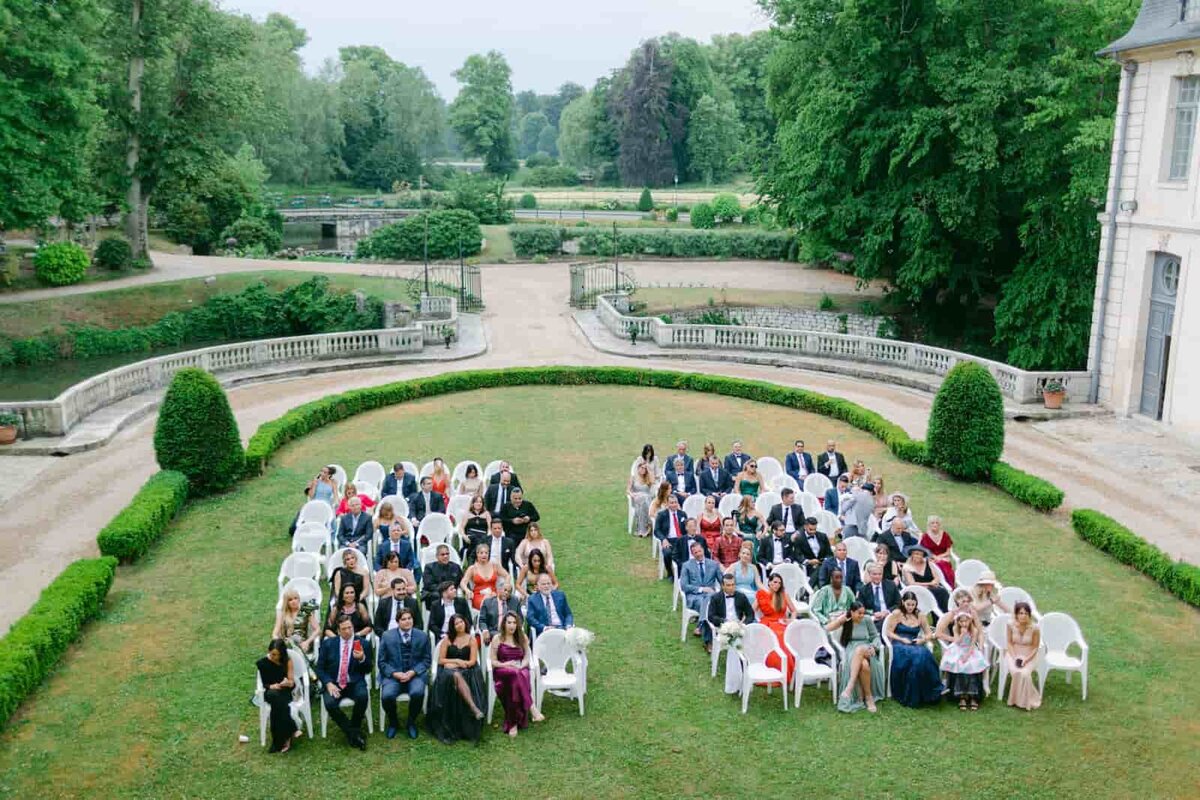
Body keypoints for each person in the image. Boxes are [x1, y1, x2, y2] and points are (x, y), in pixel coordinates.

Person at [427, 614, 486, 744]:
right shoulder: (447, 639)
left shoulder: (471, 640)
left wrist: (457, 664)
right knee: (454, 674)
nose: (460, 625)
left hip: (468, 671)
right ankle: (473, 707)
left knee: (458, 675)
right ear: (452, 627)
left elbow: (471, 661)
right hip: (448, 673)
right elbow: (441, 660)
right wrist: (457, 661)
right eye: (456, 623)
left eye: (461, 622)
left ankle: (472, 710)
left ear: (465, 623)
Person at [316, 615, 372, 749]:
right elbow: (319, 667)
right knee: (329, 703)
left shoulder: (363, 644)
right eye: (344, 629)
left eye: (350, 628)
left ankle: (354, 727)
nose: (348, 631)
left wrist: (362, 658)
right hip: (334, 682)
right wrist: (328, 683)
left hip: (354, 681)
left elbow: (368, 669)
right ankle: (353, 733)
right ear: (338, 630)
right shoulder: (328, 644)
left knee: (362, 697)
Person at [379, 607, 431, 739]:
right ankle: (393, 722)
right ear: (398, 622)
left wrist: (413, 672)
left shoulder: (422, 636)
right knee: (387, 696)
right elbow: (382, 662)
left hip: (414, 675)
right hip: (394, 676)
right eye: (404, 619)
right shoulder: (387, 636)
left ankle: (411, 721)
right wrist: (395, 674)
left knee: (418, 692)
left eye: (410, 618)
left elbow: (427, 660)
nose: (407, 621)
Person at [884, 592, 944, 707]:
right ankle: (914, 695)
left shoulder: (920, 615)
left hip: (915, 642)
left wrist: (922, 640)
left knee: (924, 654)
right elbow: (888, 632)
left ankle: (930, 691)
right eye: (908, 604)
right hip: (899, 644)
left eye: (913, 605)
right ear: (903, 602)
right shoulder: (897, 614)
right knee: (918, 656)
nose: (910, 607)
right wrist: (901, 639)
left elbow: (929, 633)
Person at [489, 611, 544, 736]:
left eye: (514, 623)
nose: (512, 625)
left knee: (516, 679)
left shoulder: (522, 637)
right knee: (515, 675)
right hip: (502, 670)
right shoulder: (497, 638)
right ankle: (532, 708)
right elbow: (493, 661)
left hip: (520, 668)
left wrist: (521, 665)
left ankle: (512, 723)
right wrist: (506, 665)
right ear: (504, 624)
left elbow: (526, 657)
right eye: (509, 622)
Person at [829, 602, 883, 713]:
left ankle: (850, 686)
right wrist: (841, 619)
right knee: (863, 665)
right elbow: (828, 628)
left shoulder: (867, 620)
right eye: (859, 613)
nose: (862, 615)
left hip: (867, 648)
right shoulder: (847, 621)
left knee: (861, 650)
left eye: (863, 613)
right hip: (851, 650)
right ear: (852, 612)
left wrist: (873, 646)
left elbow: (875, 637)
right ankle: (868, 697)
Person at [939, 610, 988, 711]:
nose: (964, 624)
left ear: (970, 620)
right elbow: (957, 641)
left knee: (972, 665)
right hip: (958, 648)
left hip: (970, 650)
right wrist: (962, 634)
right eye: (961, 622)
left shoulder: (974, 630)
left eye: (966, 621)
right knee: (959, 665)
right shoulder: (955, 628)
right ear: (958, 622)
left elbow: (973, 644)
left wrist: (967, 655)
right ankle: (961, 695)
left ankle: (973, 695)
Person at [257, 638, 299, 752]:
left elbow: (291, 681)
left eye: (278, 655)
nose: (275, 657)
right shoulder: (262, 663)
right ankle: (291, 728)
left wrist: (286, 683)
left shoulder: (287, 661)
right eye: (273, 654)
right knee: (272, 695)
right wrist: (271, 686)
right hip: (271, 691)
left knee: (276, 708)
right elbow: (263, 683)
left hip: (284, 691)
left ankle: (278, 742)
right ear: (269, 651)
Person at [756, 573, 797, 682]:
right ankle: (773, 667)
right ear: (769, 582)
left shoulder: (783, 594)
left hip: (781, 622)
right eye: (775, 582)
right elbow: (751, 610)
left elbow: (794, 610)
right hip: (767, 623)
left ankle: (785, 670)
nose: (777, 585)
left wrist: (791, 620)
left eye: (779, 583)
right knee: (775, 636)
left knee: (783, 635)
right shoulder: (761, 594)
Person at [704, 573, 755, 653]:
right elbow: (711, 616)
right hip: (723, 626)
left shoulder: (741, 596)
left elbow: (750, 614)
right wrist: (724, 621)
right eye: (728, 585)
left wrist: (744, 624)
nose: (731, 587)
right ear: (722, 586)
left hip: (739, 625)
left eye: (733, 585)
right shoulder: (715, 598)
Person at [680, 541, 722, 639]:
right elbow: (684, 586)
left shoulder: (714, 564)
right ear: (692, 554)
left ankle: (701, 625)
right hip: (695, 597)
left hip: (711, 595)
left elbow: (722, 581)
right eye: (695, 553)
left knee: (710, 598)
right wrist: (702, 589)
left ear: (703, 550)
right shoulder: (686, 565)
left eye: (700, 551)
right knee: (706, 603)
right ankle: (706, 629)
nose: (698, 554)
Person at [1006, 603, 1042, 711]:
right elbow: (1009, 643)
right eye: (1021, 613)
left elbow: (1035, 647)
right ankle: (1014, 700)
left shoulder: (1035, 628)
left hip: (1029, 654)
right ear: (1016, 615)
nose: (1023, 616)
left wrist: (1026, 659)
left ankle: (1026, 700)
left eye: (1026, 613)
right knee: (1015, 670)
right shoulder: (1010, 625)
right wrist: (1014, 657)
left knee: (1025, 673)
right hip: (1013, 653)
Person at [273, 588, 320, 660]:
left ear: (299, 599)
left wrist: (307, 642)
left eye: (295, 598)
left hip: (302, 643)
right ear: (287, 602)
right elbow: (275, 633)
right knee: (290, 645)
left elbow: (317, 629)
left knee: (294, 645)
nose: (294, 601)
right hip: (287, 642)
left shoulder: (305, 610)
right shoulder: (283, 613)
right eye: (290, 600)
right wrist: (279, 643)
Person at [460, 543, 510, 610]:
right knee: (488, 603)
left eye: (486, 553)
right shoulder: (472, 568)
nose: (484, 555)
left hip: (493, 594)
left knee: (498, 602)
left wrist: (505, 586)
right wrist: (467, 590)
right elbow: (463, 582)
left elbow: (507, 575)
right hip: (479, 595)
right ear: (477, 554)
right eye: (481, 553)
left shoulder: (494, 565)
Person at [901, 545, 950, 611]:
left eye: (921, 555)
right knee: (940, 592)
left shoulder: (928, 563)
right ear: (912, 554)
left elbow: (937, 578)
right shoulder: (907, 567)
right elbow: (911, 583)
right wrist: (929, 584)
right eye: (916, 554)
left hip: (933, 587)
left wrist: (934, 582)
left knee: (943, 592)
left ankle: (945, 615)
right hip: (919, 590)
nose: (918, 556)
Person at [653, 494, 689, 577]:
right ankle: (670, 573)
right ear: (667, 504)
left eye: (675, 502)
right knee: (667, 553)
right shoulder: (662, 515)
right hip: (669, 540)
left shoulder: (682, 514)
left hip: (681, 539)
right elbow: (657, 530)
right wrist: (663, 539)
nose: (674, 505)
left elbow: (686, 528)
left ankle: (683, 573)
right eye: (672, 503)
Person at [477, 580, 522, 645]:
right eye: (505, 590)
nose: (506, 593)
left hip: (511, 632)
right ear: (498, 590)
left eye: (509, 592)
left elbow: (520, 619)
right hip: (494, 632)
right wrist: (485, 630)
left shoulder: (514, 601)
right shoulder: (487, 602)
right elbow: (482, 620)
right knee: (499, 638)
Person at [858, 563, 901, 629]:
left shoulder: (891, 585)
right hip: (873, 618)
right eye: (874, 574)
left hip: (889, 616)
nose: (877, 577)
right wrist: (873, 615)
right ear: (869, 574)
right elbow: (860, 607)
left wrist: (887, 612)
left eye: (879, 574)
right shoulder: (863, 590)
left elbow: (898, 603)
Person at [420, 545, 463, 611]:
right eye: (442, 554)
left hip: (453, 593)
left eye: (447, 554)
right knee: (436, 596)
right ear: (437, 556)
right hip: (435, 594)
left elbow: (461, 581)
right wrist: (445, 591)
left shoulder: (455, 567)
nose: (445, 556)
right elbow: (429, 585)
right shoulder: (429, 567)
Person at [919, 515, 956, 587]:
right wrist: (935, 557)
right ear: (929, 525)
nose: (935, 524)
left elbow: (948, 551)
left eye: (937, 523)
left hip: (944, 557)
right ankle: (943, 585)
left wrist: (940, 557)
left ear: (939, 525)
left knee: (944, 565)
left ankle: (950, 585)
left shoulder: (945, 535)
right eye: (932, 523)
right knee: (939, 565)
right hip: (931, 559)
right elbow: (925, 551)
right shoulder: (925, 536)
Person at [628, 462, 657, 536]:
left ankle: (643, 529)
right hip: (636, 499)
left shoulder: (647, 478)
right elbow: (628, 490)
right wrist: (632, 494)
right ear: (638, 468)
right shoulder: (633, 477)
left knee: (645, 498)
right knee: (644, 496)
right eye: (642, 468)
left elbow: (653, 482)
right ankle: (650, 521)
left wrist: (650, 470)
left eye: (645, 469)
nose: (643, 470)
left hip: (646, 500)